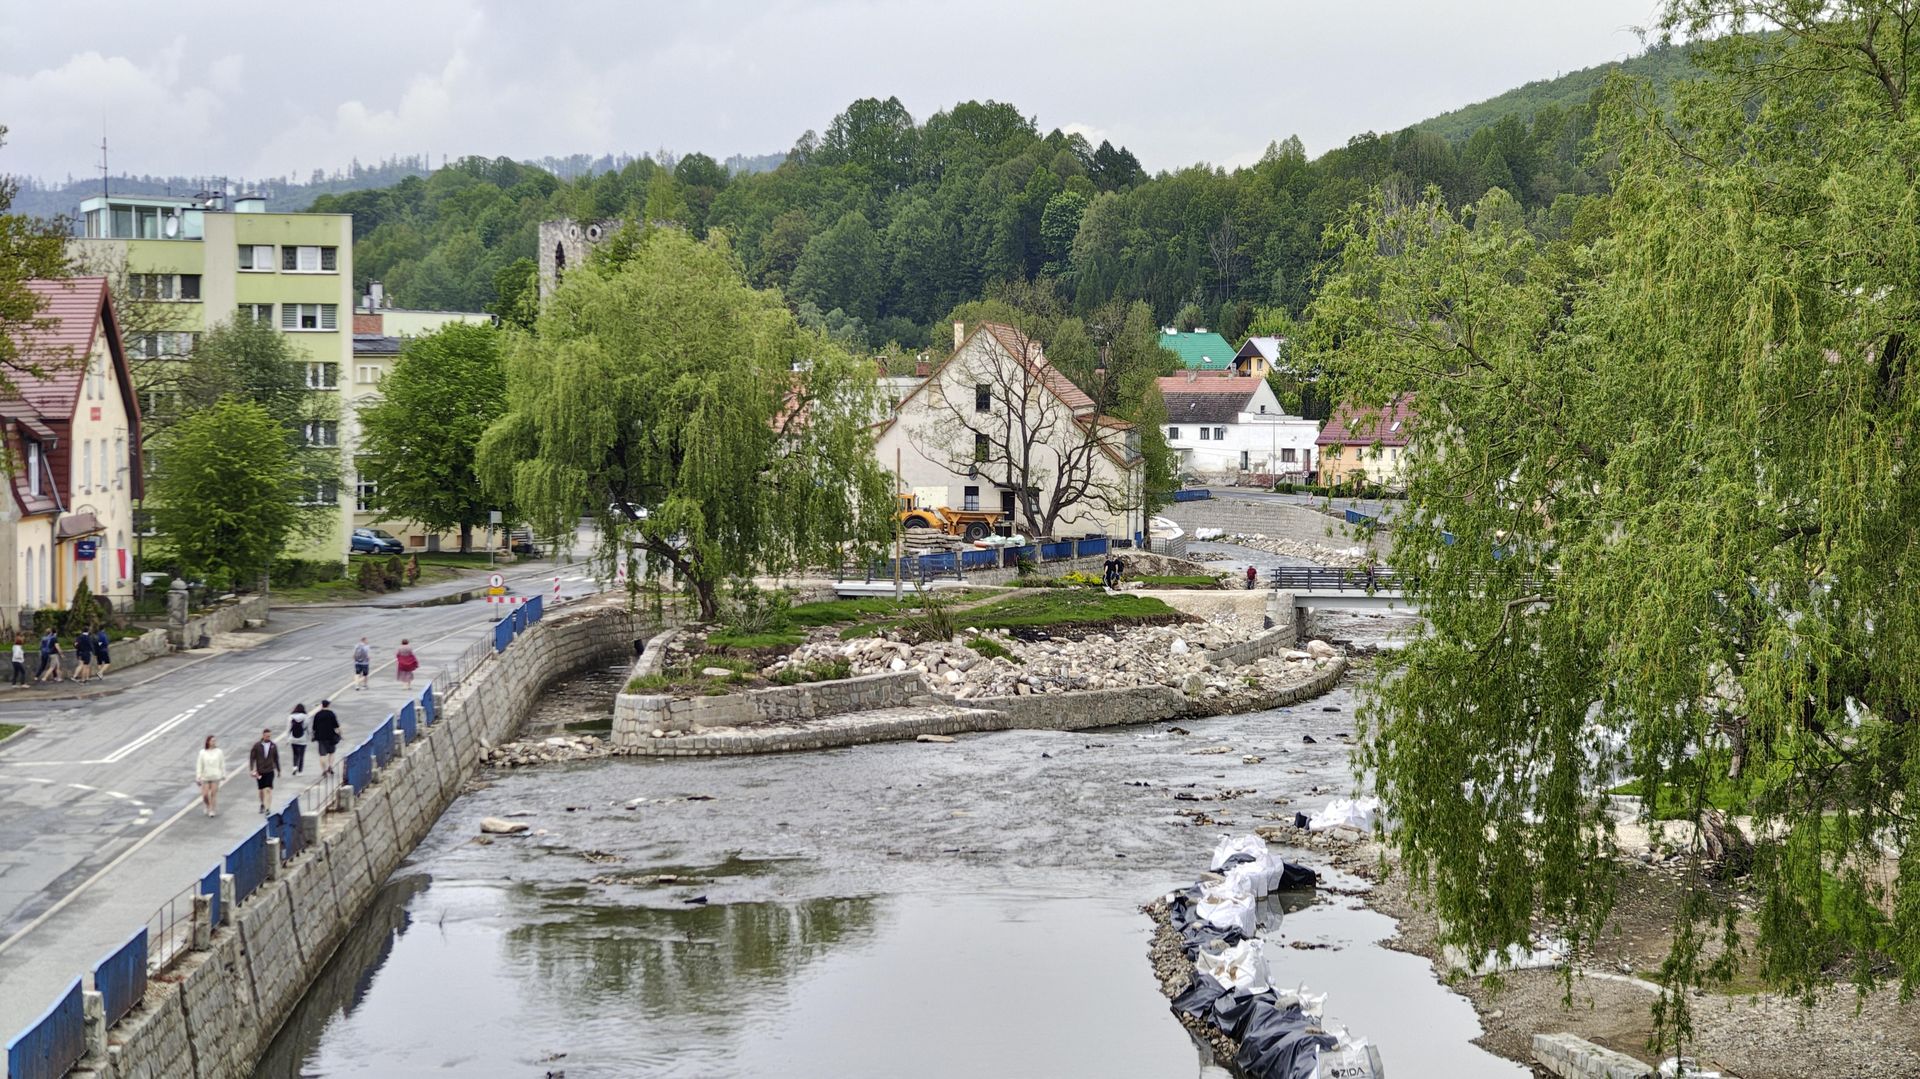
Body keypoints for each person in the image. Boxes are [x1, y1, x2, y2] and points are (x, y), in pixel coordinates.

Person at [248, 728, 281, 815]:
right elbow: (252, 757)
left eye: (269, 736)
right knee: (261, 790)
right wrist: (252, 769)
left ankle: (268, 808)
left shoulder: (273, 746)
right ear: (263, 736)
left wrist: (278, 770)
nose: (268, 737)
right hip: (260, 771)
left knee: (268, 789)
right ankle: (262, 803)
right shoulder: (257, 745)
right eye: (266, 736)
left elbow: (276, 758)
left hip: (270, 771)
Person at [196, 735, 225, 817]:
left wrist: (223, 774)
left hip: (215, 775)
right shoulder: (202, 752)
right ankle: (208, 805)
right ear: (208, 742)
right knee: (205, 795)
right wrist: (198, 776)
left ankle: (212, 809)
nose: (213, 742)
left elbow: (222, 763)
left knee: (213, 793)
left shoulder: (219, 752)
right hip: (205, 776)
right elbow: (199, 765)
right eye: (212, 741)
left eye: (214, 741)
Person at [312, 700, 341, 777]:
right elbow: (336, 726)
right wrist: (340, 734)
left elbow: (314, 727)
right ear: (328, 705)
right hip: (331, 736)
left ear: (322, 705)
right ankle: (330, 766)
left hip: (320, 737)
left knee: (322, 755)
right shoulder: (331, 714)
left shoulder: (317, 715)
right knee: (331, 753)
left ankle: (324, 770)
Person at [287, 703, 310, 775]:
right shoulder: (305, 717)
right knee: (301, 755)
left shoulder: (291, 716)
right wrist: (310, 736)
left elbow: (288, 728)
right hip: (303, 739)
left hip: (293, 738)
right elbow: (307, 728)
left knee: (295, 754)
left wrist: (287, 739)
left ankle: (294, 767)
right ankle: (300, 771)